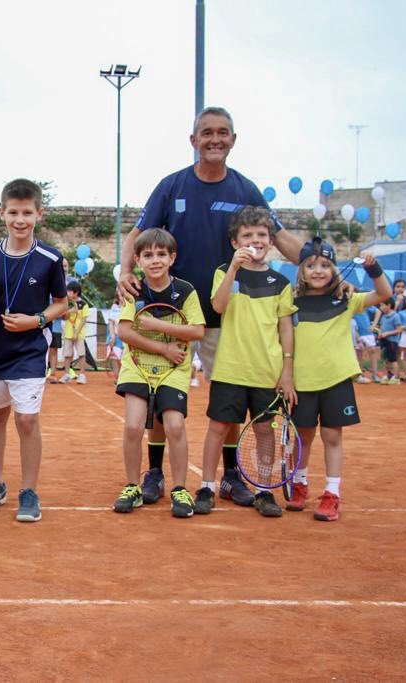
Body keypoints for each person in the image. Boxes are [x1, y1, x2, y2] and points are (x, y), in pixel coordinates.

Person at [120, 106, 304, 508]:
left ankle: (232, 474)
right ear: (193, 140)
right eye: (207, 133)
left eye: (223, 133)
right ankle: (154, 472)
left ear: (233, 140)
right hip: (172, 316)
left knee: (229, 400)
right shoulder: (172, 186)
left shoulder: (245, 190)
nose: (215, 139)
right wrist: (124, 271)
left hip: (227, 317)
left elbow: (279, 236)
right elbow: (136, 234)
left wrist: (314, 263)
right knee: (158, 392)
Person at [0, 179, 67, 523]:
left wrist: (36, 320)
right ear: (2, 213)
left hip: (30, 350)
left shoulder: (50, 258)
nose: (20, 219)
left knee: (26, 420)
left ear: (39, 214)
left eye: (27, 212)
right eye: (13, 212)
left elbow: (61, 304)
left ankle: (29, 490)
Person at [196, 206, 297, 518]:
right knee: (217, 428)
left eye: (262, 235)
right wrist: (233, 271)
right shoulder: (224, 272)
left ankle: (264, 490)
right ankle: (207, 486)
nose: (256, 240)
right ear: (235, 241)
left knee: (265, 431)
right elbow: (219, 305)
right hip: (230, 369)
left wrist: (287, 372)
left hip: (267, 373)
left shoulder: (281, 282)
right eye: (248, 235)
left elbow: (285, 329)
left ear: (270, 240)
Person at [288, 240, 391, 521]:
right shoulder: (291, 304)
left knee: (332, 435)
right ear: (301, 271)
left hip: (336, 381)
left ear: (334, 270)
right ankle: (299, 484)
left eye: (324, 265)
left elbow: (384, 293)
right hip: (302, 382)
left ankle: (332, 494)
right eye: (311, 266)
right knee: (302, 438)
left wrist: (373, 267)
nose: (317, 271)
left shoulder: (346, 300)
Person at [112, 228, 205, 517]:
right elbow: (124, 331)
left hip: (174, 369)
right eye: (148, 255)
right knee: (132, 426)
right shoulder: (133, 290)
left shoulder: (186, 291)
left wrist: (158, 327)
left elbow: (196, 330)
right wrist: (162, 347)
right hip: (137, 367)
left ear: (172, 257)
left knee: (174, 425)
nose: (155, 260)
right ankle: (132, 486)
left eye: (161, 254)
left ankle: (180, 488)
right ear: (137, 260)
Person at [57, 280, 88, 385]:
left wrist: (76, 333)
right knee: (67, 354)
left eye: (70, 291)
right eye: (68, 291)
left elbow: (84, 320)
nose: (68, 293)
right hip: (68, 333)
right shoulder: (66, 303)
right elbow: (64, 318)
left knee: (81, 354)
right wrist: (70, 311)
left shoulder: (83, 304)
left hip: (79, 334)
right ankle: (67, 375)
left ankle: (82, 375)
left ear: (76, 292)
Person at [374, 298, 402, 384]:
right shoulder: (383, 316)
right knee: (385, 359)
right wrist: (380, 333)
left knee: (393, 359)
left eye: (382, 305)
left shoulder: (396, 316)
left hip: (392, 341)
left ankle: (396, 378)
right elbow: (382, 328)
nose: (381, 307)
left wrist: (387, 334)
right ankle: (387, 375)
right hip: (384, 340)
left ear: (389, 305)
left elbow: (398, 330)